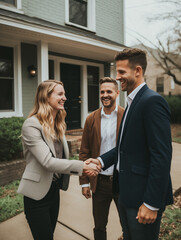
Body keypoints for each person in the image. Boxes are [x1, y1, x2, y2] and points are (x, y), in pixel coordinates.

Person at [88, 48, 173, 240]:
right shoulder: (132, 102)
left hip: (143, 198)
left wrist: (151, 203)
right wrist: (101, 161)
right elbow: (125, 147)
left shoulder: (152, 102)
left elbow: (162, 155)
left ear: (138, 71)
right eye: (117, 72)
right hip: (126, 194)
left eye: (121, 72)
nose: (117, 77)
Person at [17, 80, 100, 240]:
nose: (65, 98)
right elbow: (48, 162)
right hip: (36, 195)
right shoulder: (31, 125)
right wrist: (82, 166)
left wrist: (85, 163)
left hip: (53, 191)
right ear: (46, 97)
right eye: (60, 94)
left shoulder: (58, 124)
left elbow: (60, 158)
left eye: (64, 94)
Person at [79, 77, 124, 240]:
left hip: (122, 181)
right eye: (102, 92)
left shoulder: (126, 116)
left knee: (127, 224)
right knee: (99, 226)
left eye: (109, 91)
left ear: (117, 93)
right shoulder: (91, 119)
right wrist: (84, 182)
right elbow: (84, 151)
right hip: (100, 182)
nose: (105, 95)